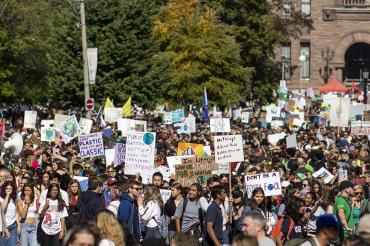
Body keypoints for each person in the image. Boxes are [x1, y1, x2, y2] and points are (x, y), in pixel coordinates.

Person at [0, 180, 19, 246]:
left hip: (13, 226)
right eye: (7, 188)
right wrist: (7, 196)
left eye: (10, 189)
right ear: (4, 189)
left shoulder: (14, 198)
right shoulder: (1, 198)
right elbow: (2, 209)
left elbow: (16, 212)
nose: (8, 190)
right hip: (3, 226)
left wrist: (18, 225)